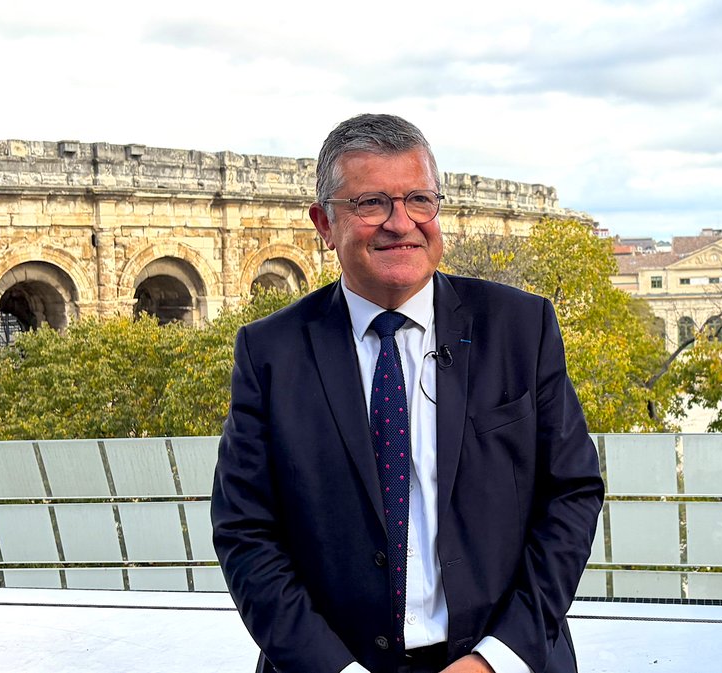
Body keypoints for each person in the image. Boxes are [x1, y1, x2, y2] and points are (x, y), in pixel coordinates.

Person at [211, 113, 604, 673]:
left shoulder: (521, 327)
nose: (403, 223)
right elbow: (246, 530)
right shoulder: (270, 352)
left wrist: (495, 660)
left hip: (500, 658)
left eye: (420, 199)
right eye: (372, 203)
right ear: (324, 223)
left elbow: (572, 495)